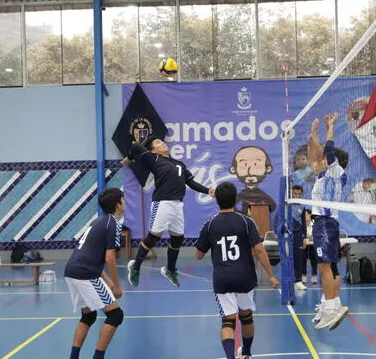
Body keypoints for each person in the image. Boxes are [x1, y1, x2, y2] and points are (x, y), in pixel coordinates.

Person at [195, 182, 281, 359]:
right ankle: (247, 354)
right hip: (245, 276)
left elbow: (198, 255)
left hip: (222, 278)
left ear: (216, 200)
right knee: (246, 316)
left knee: (228, 320)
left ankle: (231, 357)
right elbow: (259, 249)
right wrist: (271, 276)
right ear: (235, 200)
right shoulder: (247, 221)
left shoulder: (210, 224)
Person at [122, 136, 215, 287]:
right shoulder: (154, 159)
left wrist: (208, 190)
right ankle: (135, 266)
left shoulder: (179, 164)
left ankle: (170, 269)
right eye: (158, 143)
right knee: (153, 237)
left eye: (162, 141)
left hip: (177, 204)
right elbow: (136, 146)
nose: (163, 143)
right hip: (162, 202)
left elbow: (190, 182)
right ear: (152, 150)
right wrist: (129, 158)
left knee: (177, 238)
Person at [64, 188, 126, 359]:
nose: (125, 202)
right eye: (123, 199)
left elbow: (94, 257)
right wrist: (117, 286)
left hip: (72, 270)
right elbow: (109, 258)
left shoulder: (97, 222)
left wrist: (110, 284)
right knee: (115, 315)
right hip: (85, 273)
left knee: (89, 315)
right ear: (117, 204)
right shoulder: (113, 223)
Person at [307, 113, 349, 330]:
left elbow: (328, 149)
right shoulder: (324, 174)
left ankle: (333, 307)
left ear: (332, 162)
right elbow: (315, 157)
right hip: (323, 223)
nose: (321, 159)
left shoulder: (335, 171)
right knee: (328, 266)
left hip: (325, 222)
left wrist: (330, 126)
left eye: (326, 158)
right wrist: (313, 135)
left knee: (324, 266)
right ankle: (330, 303)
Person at [290, 185, 311, 291]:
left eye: (299, 194)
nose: (297, 196)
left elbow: (303, 223)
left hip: (298, 234)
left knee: (298, 258)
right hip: (287, 235)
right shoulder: (286, 204)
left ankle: (298, 281)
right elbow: (278, 220)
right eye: (295, 193)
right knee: (287, 258)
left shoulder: (302, 206)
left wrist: (304, 237)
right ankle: (288, 280)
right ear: (291, 193)